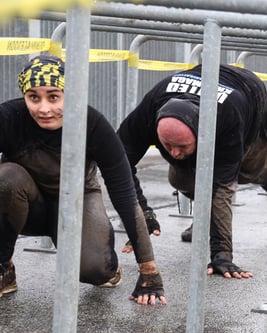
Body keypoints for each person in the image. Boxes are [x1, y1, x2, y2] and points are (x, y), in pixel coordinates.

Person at [0, 55, 166, 305]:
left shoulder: (93, 124)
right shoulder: (8, 117)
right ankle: (4, 268)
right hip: (26, 203)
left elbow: (124, 193)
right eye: (34, 97)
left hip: (78, 201)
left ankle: (108, 268)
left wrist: (149, 271)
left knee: (94, 270)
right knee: (6, 177)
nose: (44, 108)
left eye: (53, 97)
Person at [118, 64, 267, 279]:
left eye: (181, 146)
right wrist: (142, 213)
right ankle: (205, 219)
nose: (173, 153)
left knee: (247, 172)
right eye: (167, 145)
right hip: (198, 103)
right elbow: (119, 163)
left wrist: (222, 255)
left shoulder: (230, 114)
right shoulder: (150, 107)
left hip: (248, 96)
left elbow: (222, 189)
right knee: (181, 178)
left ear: (203, 134)